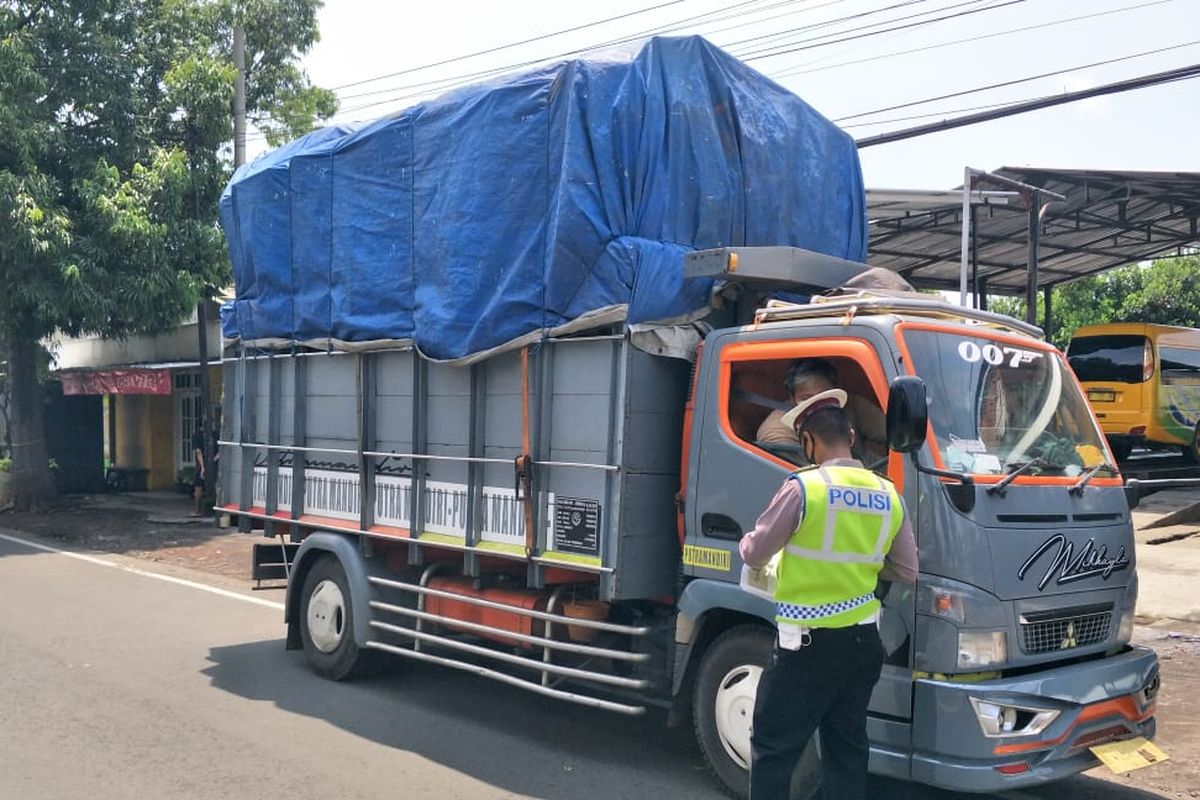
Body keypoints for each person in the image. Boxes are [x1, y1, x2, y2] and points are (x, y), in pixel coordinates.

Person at [740, 389, 918, 800]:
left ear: (807, 442)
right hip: (862, 645)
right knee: (846, 747)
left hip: (806, 646)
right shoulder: (887, 492)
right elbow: (908, 570)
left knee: (774, 748)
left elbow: (755, 552)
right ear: (852, 436)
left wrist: (749, 543)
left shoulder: (805, 488)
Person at [755, 359, 887, 464]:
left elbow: (894, 431)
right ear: (791, 398)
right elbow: (811, 477)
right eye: (807, 398)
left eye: (824, 395)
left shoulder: (848, 403)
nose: (816, 404)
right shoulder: (776, 432)